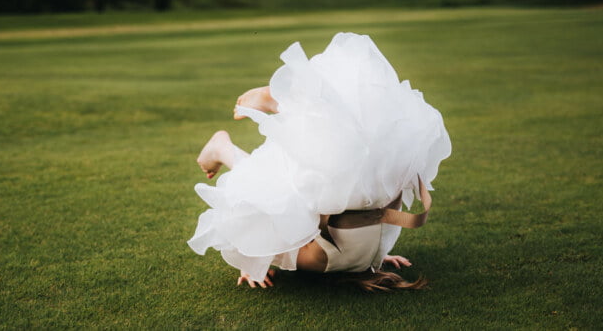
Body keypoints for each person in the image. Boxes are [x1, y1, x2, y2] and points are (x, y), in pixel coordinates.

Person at [187, 33, 451, 290]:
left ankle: (280, 113)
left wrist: (377, 259)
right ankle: (278, 113)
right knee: (311, 180)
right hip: (350, 203)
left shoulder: (365, 258)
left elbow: (376, 224)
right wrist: (251, 260)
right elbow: (264, 231)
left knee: (369, 154)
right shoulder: (318, 262)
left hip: (375, 192)